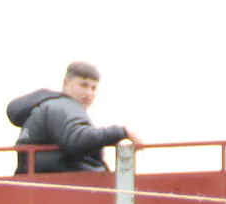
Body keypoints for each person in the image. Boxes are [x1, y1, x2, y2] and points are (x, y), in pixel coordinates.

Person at [9, 61, 137, 174]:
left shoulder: (49, 107)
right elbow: (77, 138)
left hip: (44, 184)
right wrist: (121, 132)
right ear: (66, 83)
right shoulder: (63, 106)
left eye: (94, 88)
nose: (89, 93)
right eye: (83, 85)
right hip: (68, 187)